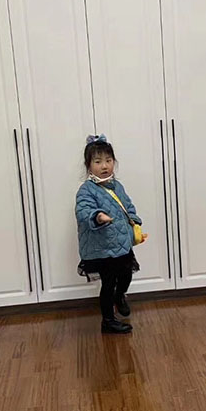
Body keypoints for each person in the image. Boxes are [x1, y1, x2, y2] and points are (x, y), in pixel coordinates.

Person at [75, 135, 145, 334]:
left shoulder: (117, 186)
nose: (104, 166)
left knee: (126, 276)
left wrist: (134, 221)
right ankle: (108, 321)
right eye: (98, 161)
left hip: (121, 243)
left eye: (108, 160)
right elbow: (83, 211)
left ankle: (119, 295)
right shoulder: (86, 190)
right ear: (89, 166)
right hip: (103, 247)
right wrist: (98, 216)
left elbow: (128, 206)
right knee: (108, 283)